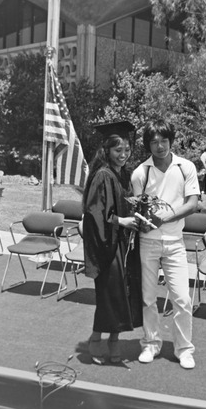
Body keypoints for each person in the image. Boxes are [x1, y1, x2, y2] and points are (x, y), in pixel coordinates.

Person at [131, 119, 200, 370]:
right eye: (153, 142)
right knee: (148, 298)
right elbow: (139, 208)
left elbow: (193, 204)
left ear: (171, 140)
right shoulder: (140, 173)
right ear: (147, 144)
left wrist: (164, 218)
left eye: (163, 140)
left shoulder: (186, 167)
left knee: (182, 299)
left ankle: (184, 349)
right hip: (147, 243)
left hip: (175, 242)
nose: (159, 146)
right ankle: (150, 344)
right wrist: (143, 221)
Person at [82, 120, 143, 365]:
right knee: (110, 296)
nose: (123, 155)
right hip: (108, 247)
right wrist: (123, 221)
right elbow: (97, 215)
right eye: (118, 150)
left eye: (127, 150)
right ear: (107, 150)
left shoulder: (122, 174)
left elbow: (121, 204)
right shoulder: (103, 176)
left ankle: (113, 341)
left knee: (122, 295)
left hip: (122, 245)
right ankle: (97, 339)